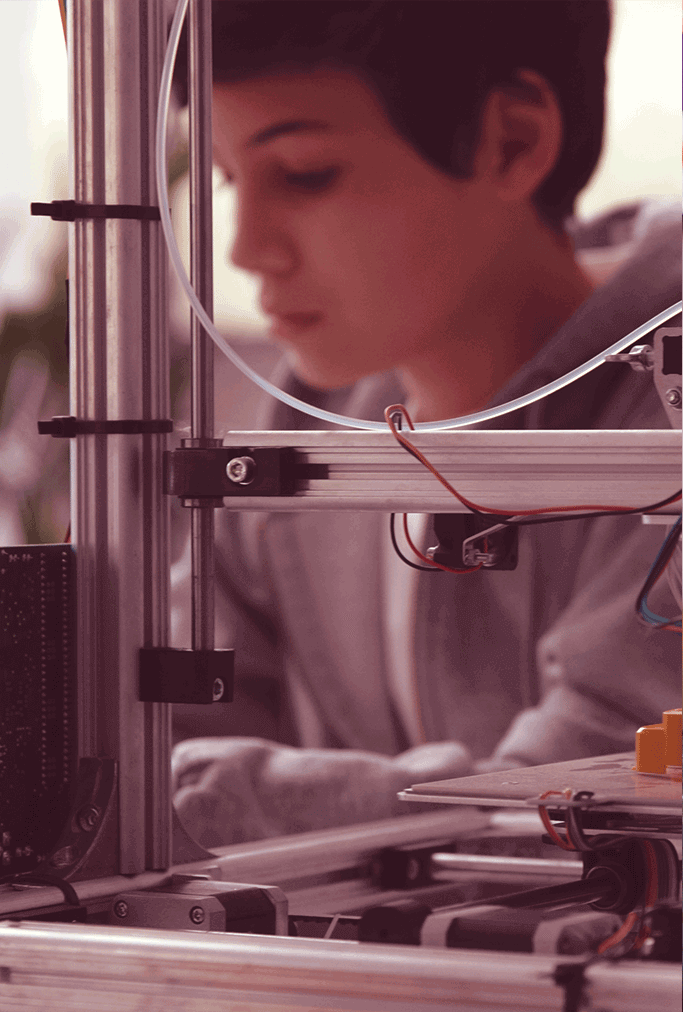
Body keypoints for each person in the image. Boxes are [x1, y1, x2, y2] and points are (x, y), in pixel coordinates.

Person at [169, 1, 681, 849]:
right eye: (228, 179)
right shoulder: (316, 418)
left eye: (302, 173)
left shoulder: (663, 409)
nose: (246, 248)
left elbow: (608, 787)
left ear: (512, 141)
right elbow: (176, 710)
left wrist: (284, 800)